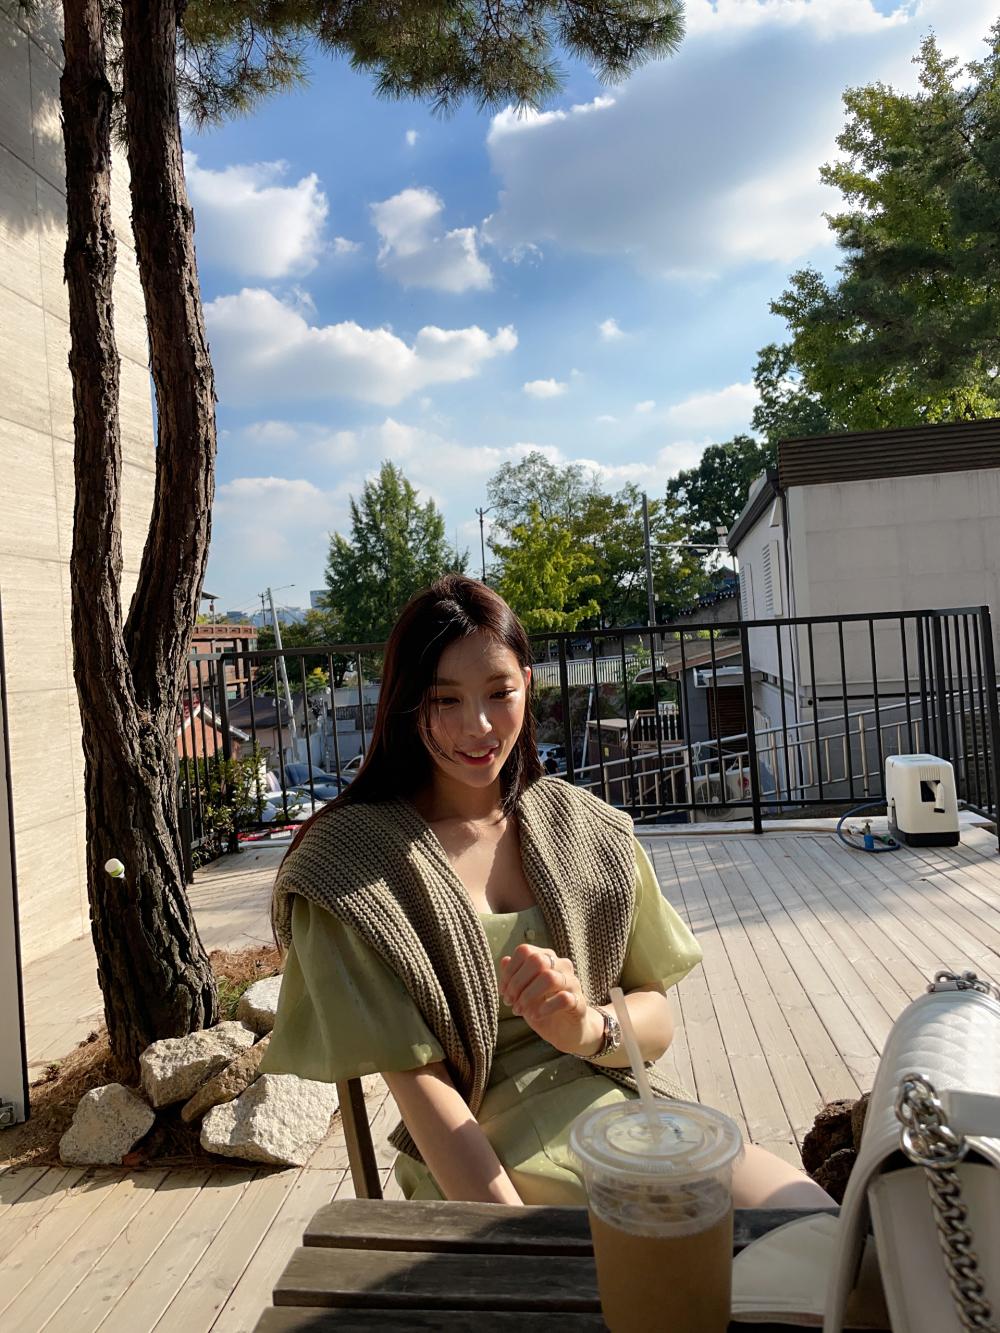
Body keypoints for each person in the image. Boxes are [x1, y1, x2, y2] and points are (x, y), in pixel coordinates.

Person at [261, 576, 834, 1209]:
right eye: (445, 699)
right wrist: (512, 1235)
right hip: (478, 1156)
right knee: (678, 1251)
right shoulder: (349, 868)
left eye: (499, 692)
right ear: (405, 704)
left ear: (527, 686)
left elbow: (654, 1016)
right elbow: (419, 1085)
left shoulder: (586, 829)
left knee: (807, 1215)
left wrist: (587, 1027)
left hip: (619, 1109)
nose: (478, 725)